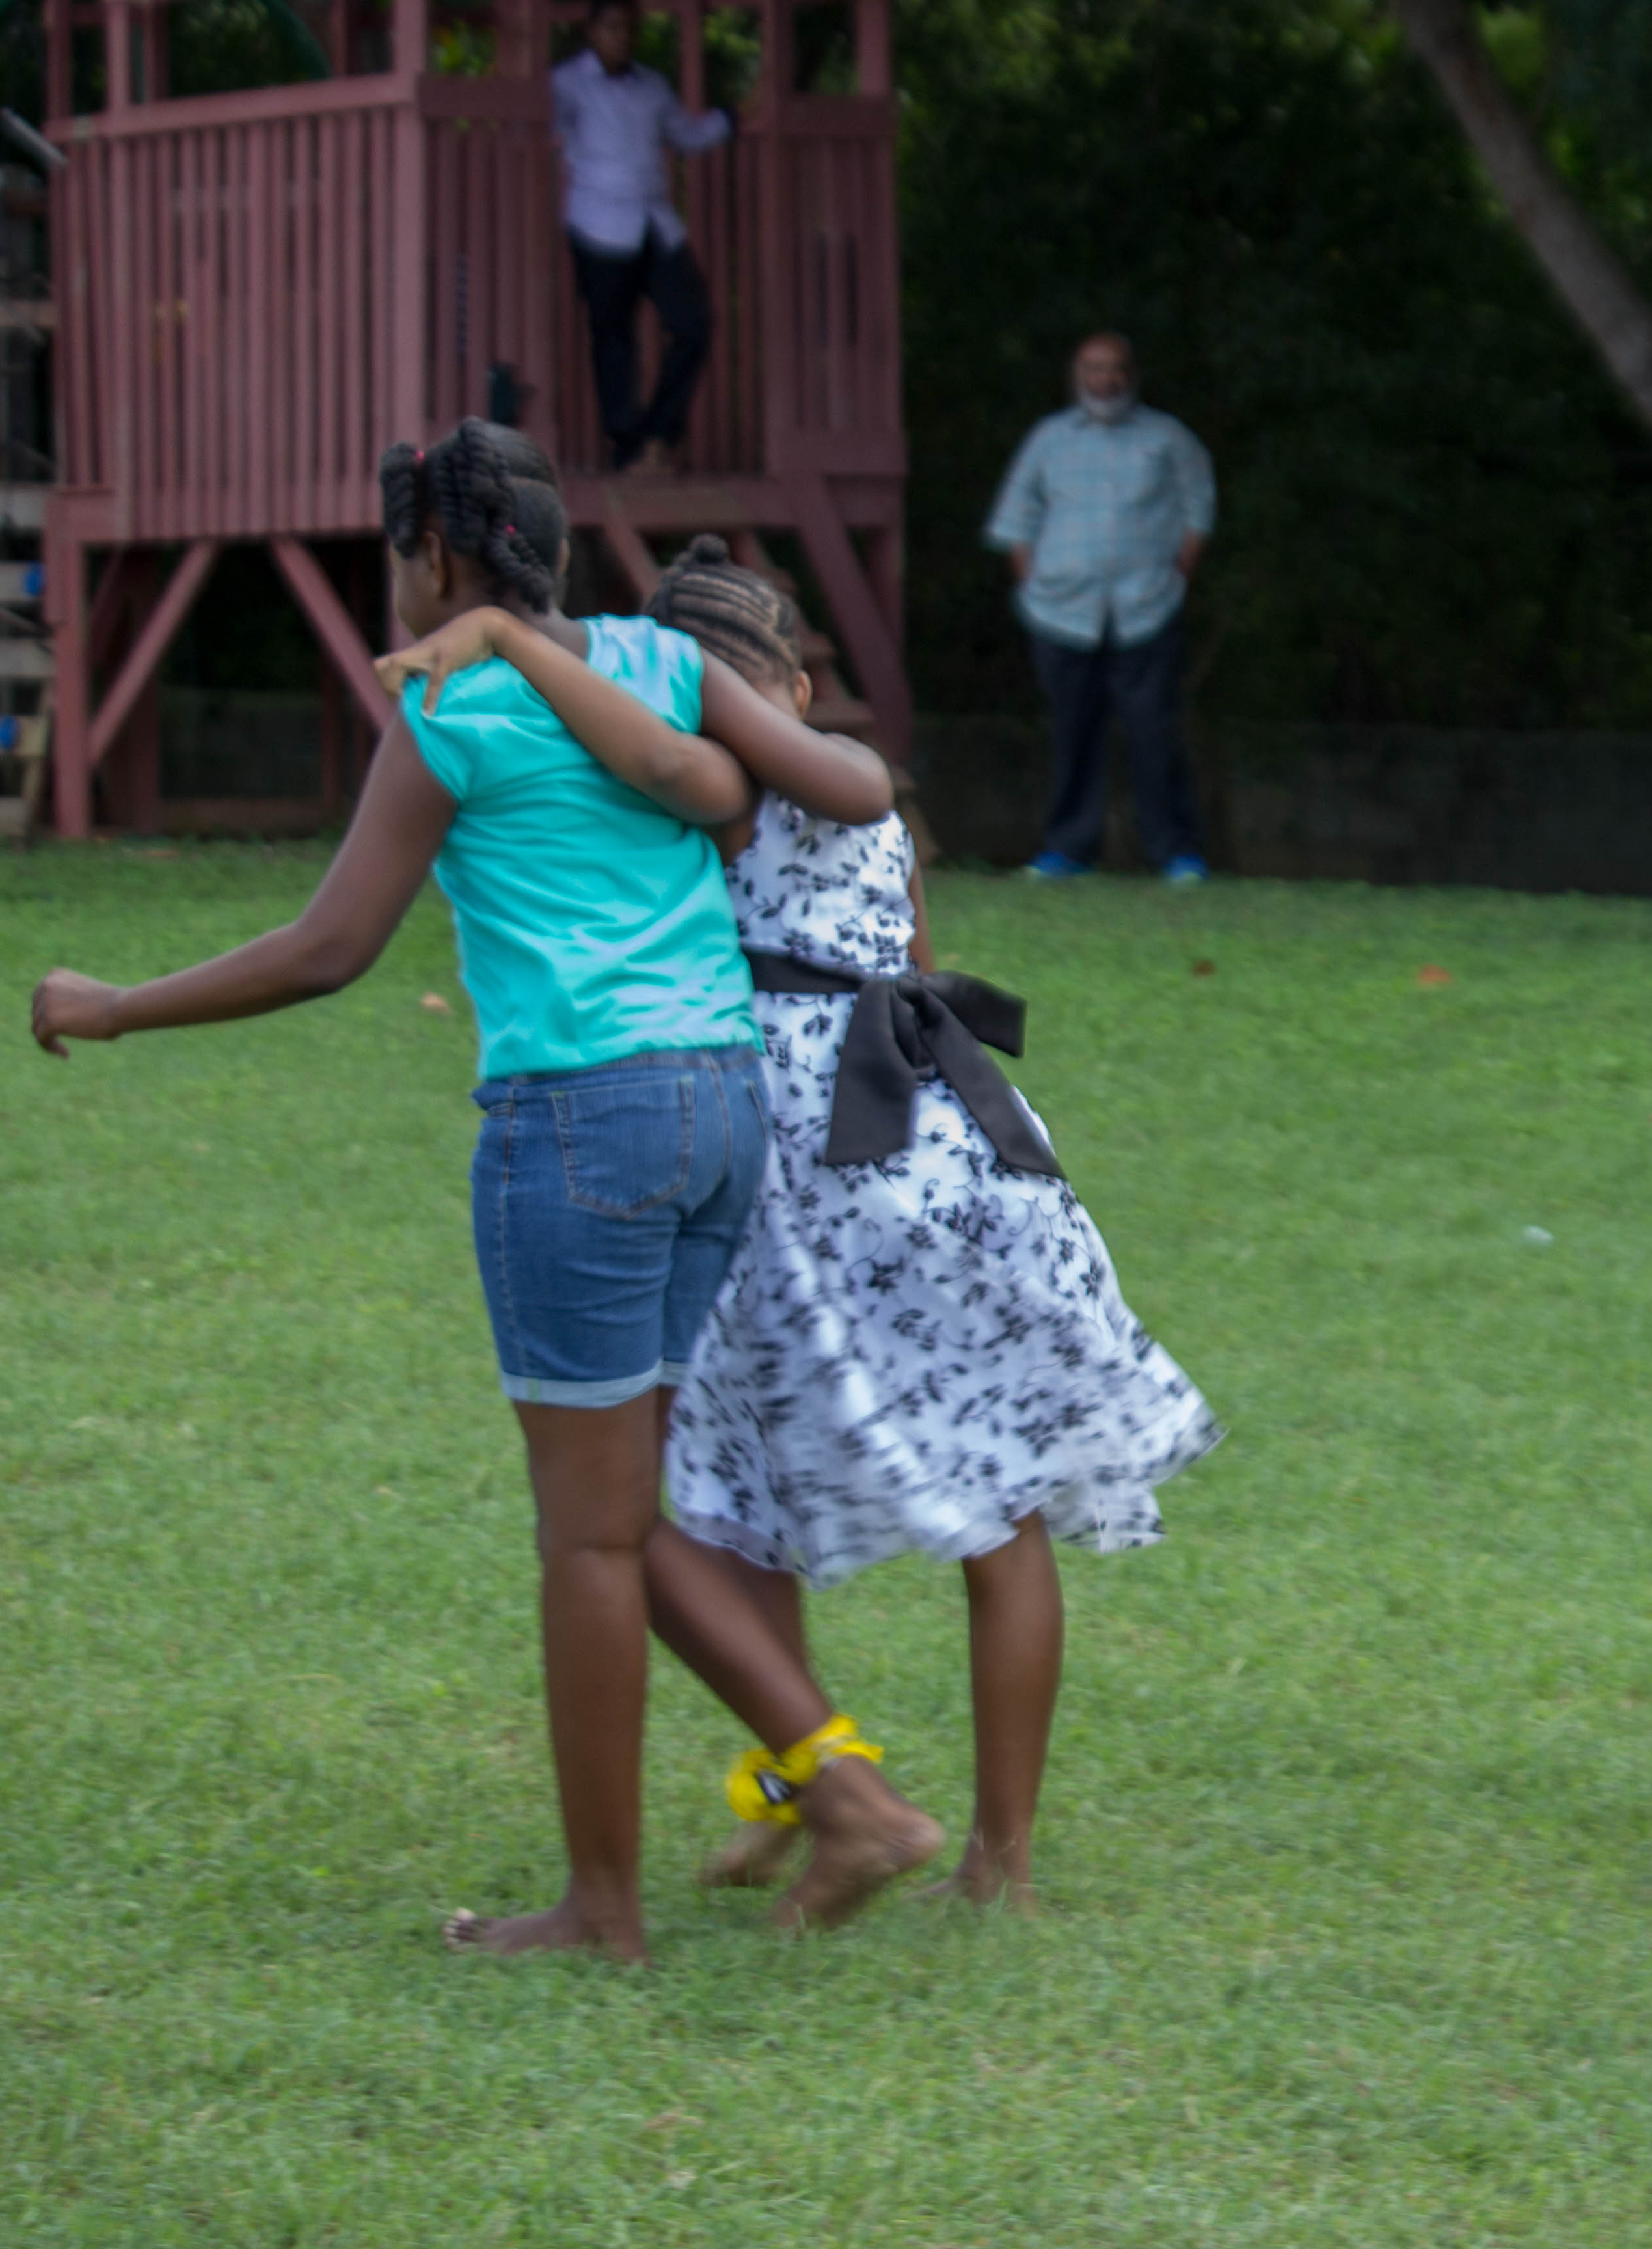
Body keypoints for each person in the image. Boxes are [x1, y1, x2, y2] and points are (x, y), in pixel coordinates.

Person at [26, 420, 941, 1959]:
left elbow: (329, 948)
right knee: (627, 1514)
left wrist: (114, 1005)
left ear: (439, 557)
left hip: (579, 1120)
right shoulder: (658, 661)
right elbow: (817, 784)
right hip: (720, 1106)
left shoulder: (449, 704)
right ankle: (838, 1792)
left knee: (588, 1537)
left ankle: (620, 1902)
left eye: (400, 558)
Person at [426, 539, 1223, 1911]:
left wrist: (507, 637)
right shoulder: (868, 799)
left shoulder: (709, 791)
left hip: (793, 1161)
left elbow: (648, 810)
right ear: (793, 680)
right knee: (1001, 1510)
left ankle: (819, 1795)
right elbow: (911, 966)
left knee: (738, 1497)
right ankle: (988, 1858)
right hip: (950, 1146)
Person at [984, 333, 1217, 884]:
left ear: (1131, 375)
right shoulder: (1048, 439)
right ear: (1077, 375)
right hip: (1061, 614)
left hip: (1145, 609)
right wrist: (1034, 585)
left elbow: (1199, 510)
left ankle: (1175, 853)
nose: (1105, 380)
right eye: (1093, 368)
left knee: (1153, 733)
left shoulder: (1168, 438)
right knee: (1072, 734)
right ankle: (1067, 851)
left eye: (1115, 369)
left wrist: (1175, 577)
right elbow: (1016, 519)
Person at [552, 0, 729, 473]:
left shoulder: (652, 87)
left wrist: (731, 119)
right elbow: (538, 125)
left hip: (654, 222)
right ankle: (628, 449)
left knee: (694, 321)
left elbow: (687, 135)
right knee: (613, 339)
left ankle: (660, 432)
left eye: (629, 29)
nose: (622, 39)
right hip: (599, 224)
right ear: (592, 30)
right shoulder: (567, 84)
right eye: (613, 28)